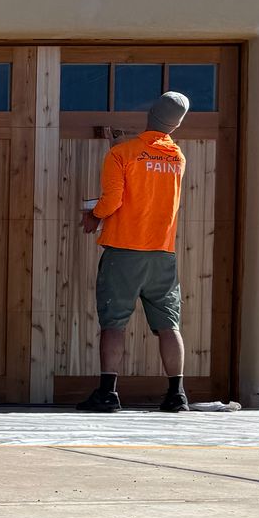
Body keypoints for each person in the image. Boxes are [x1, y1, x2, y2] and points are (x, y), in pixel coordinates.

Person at [77, 91, 191, 413]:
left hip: (124, 251)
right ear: (177, 124)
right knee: (169, 324)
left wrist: (93, 216)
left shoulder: (121, 154)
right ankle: (176, 395)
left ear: (151, 112)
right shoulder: (178, 158)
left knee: (114, 322)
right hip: (162, 253)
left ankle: (108, 394)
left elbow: (112, 201)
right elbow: (152, 158)